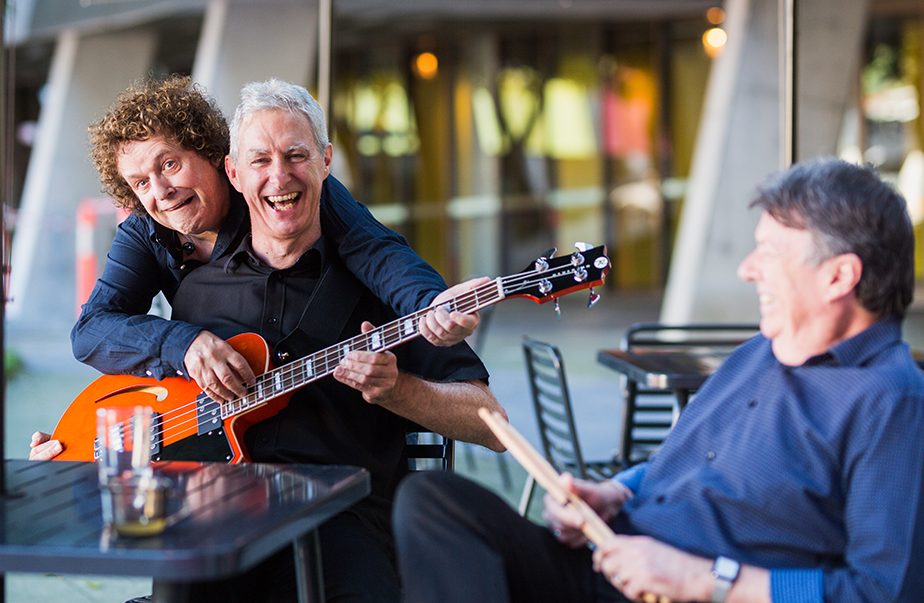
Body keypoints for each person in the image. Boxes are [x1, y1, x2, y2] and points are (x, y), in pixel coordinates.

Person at [393, 158, 924, 603]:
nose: (747, 268)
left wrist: (702, 580)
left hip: (683, 592)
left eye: (771, 252)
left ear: (839, 276)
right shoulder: (759, 353)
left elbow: (879, 591)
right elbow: (685, 461)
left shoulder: (891, 401)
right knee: (433, 502)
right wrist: (614, 492)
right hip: (615, 559)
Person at [156, 78, 505, 602]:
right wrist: (71, 446)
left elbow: (493, 425)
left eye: (296, 154)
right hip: (217, 515)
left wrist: (398, 390)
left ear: (325, 161)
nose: (280, 175)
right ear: (233, 173)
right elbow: (156, 412)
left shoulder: (385, 290)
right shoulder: (197, 297)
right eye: (260, 161)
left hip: (341, 517)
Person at [30, 76, 480, 460]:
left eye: (170, 164)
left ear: (216, 158)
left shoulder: (280, 198)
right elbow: (91, 330)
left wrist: (430, 307)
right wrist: (181, 343)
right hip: (211, 430)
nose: (161, 191)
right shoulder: (146, 230)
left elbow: (377, 251)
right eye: (141, 182)